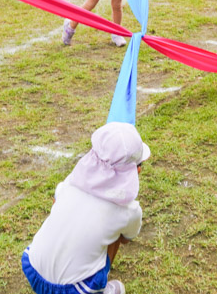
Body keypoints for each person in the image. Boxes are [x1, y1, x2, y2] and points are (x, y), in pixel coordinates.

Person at [22, 122, 149, 294]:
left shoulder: (70, 183)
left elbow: (56, 201)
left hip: (33, 267)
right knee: (118, 234)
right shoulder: (127, 210)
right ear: (135, 171)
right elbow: (127, 238)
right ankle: (103, 290)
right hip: (74, 289)